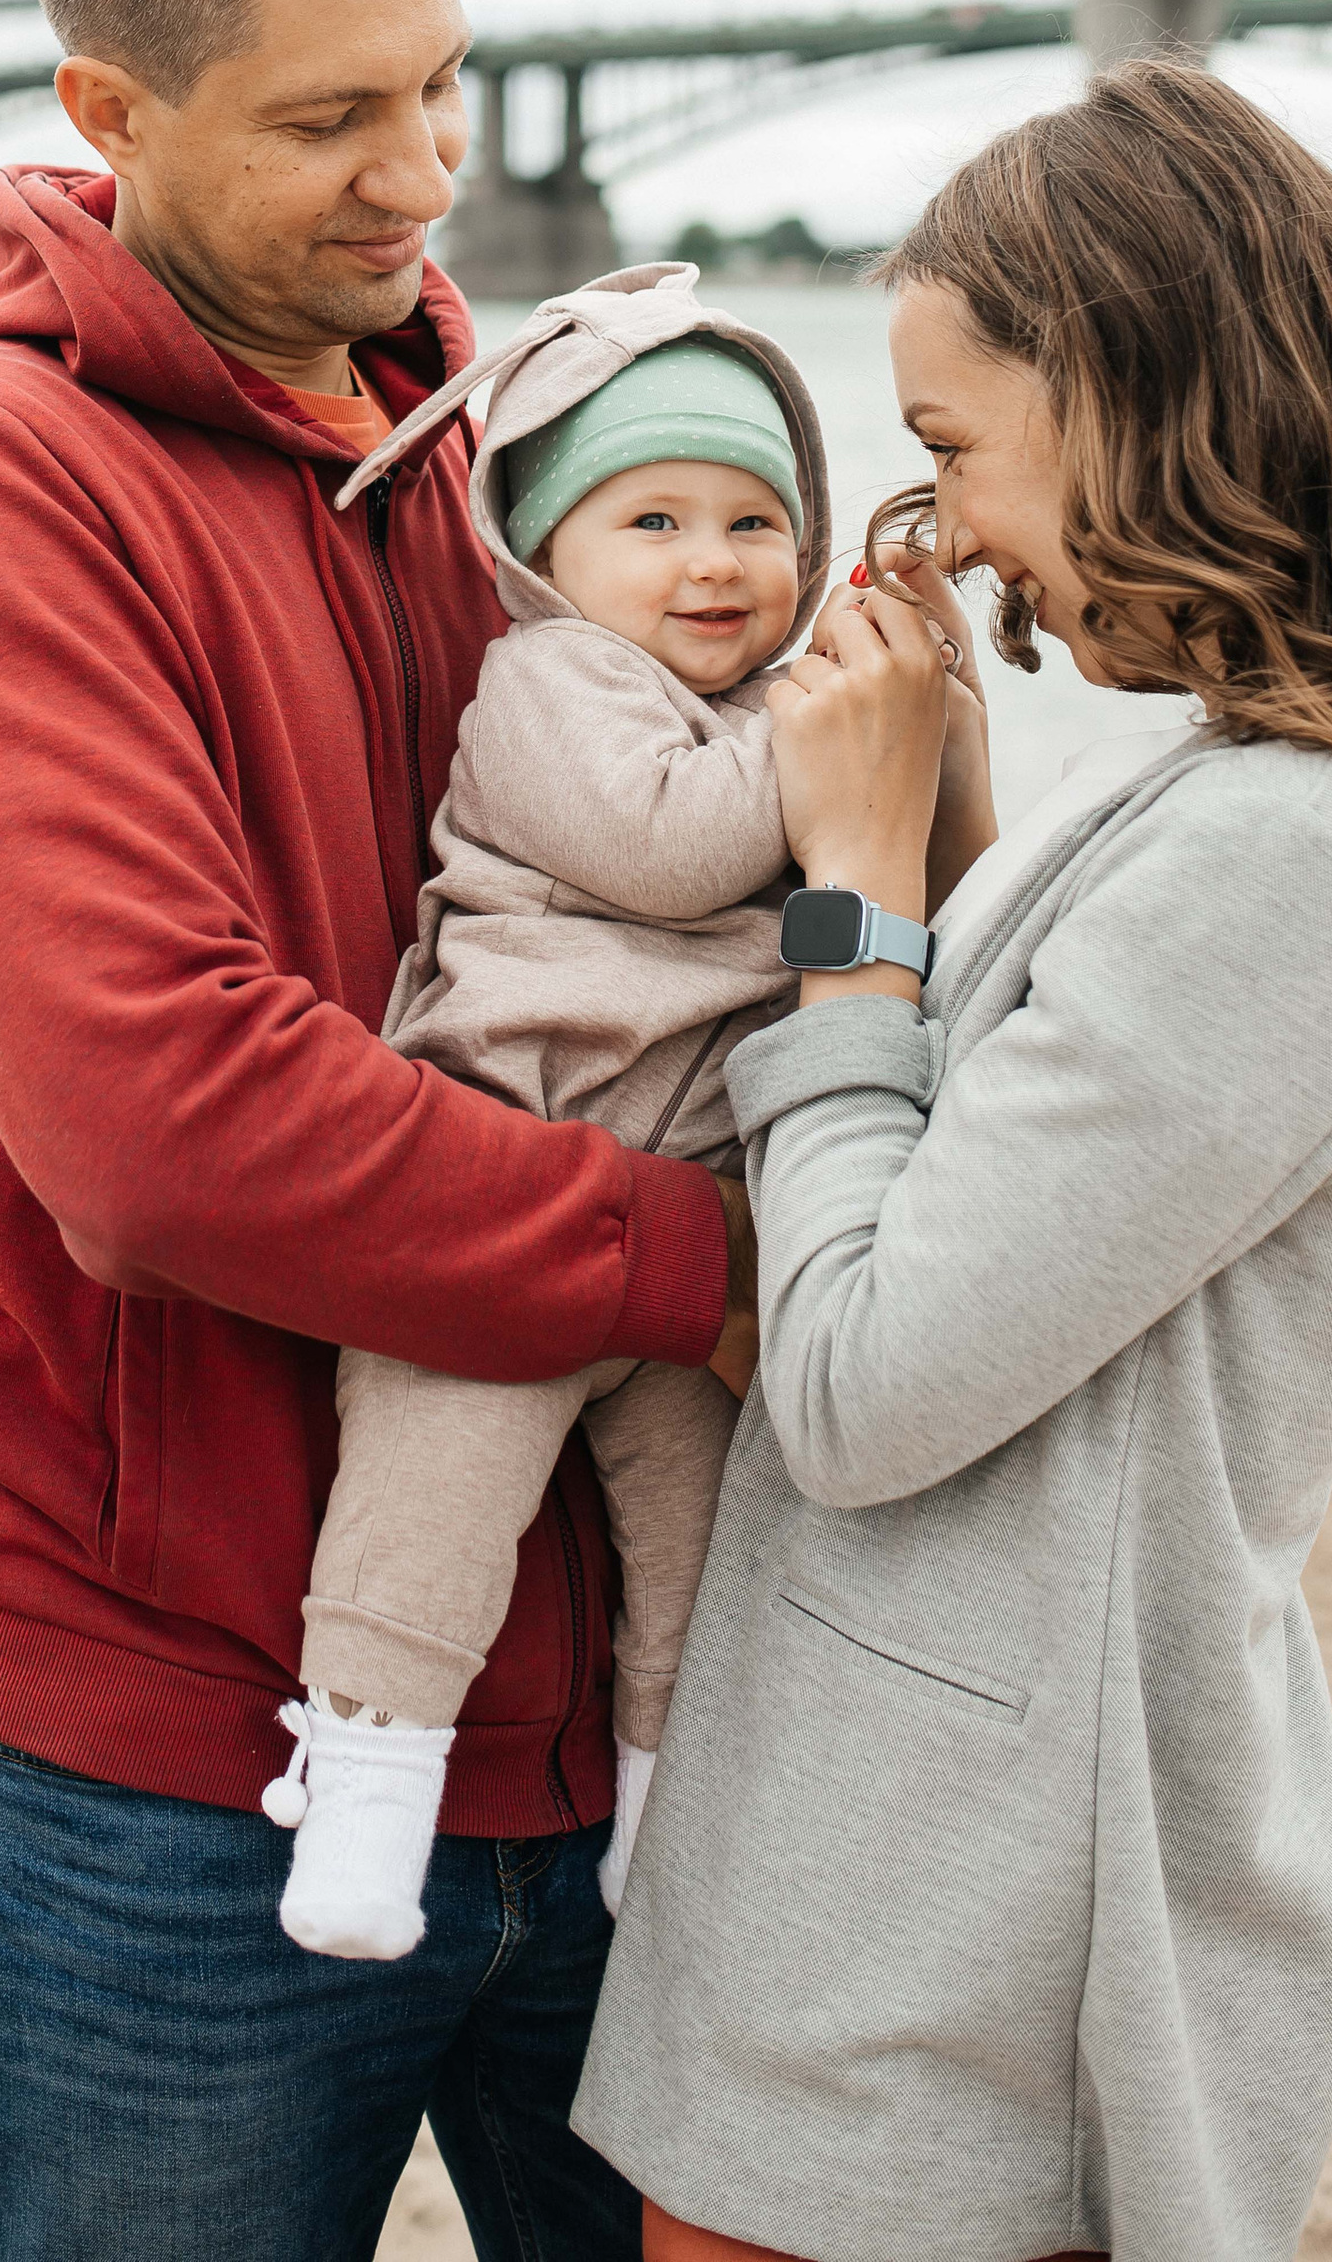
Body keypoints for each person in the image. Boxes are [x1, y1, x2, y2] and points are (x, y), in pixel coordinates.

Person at [0, 0, 752, 2262]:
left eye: (438, 81)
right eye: (330, 115)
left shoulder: (516, 465)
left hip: (638, 1720)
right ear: (108, 111)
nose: (423, 169)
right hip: (171, 1762)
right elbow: (167, 1124)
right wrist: (732, 1274)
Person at [573, 60, 1332, 2262]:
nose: (932, 531)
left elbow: (857, 1391)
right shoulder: (1274, 794)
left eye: (945, 449)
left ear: (1128, 398)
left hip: (954, 1919)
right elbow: (1018, 1194)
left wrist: (844, 899)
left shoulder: (1295, 863)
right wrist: (940, 805)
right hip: (953, 1863)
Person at [269, 277, 831, 1963]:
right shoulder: (551, 681)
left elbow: (876, 898)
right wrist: (838, 733)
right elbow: (675, 852)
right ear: (542, 549)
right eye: (651, 517)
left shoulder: (755, 708)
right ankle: (363, 1785)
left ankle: (662, 1820)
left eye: (754, 520)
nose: (712, 561)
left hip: (680, 1212)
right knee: (433, 1500)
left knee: (699, 1546)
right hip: (512, 1179)